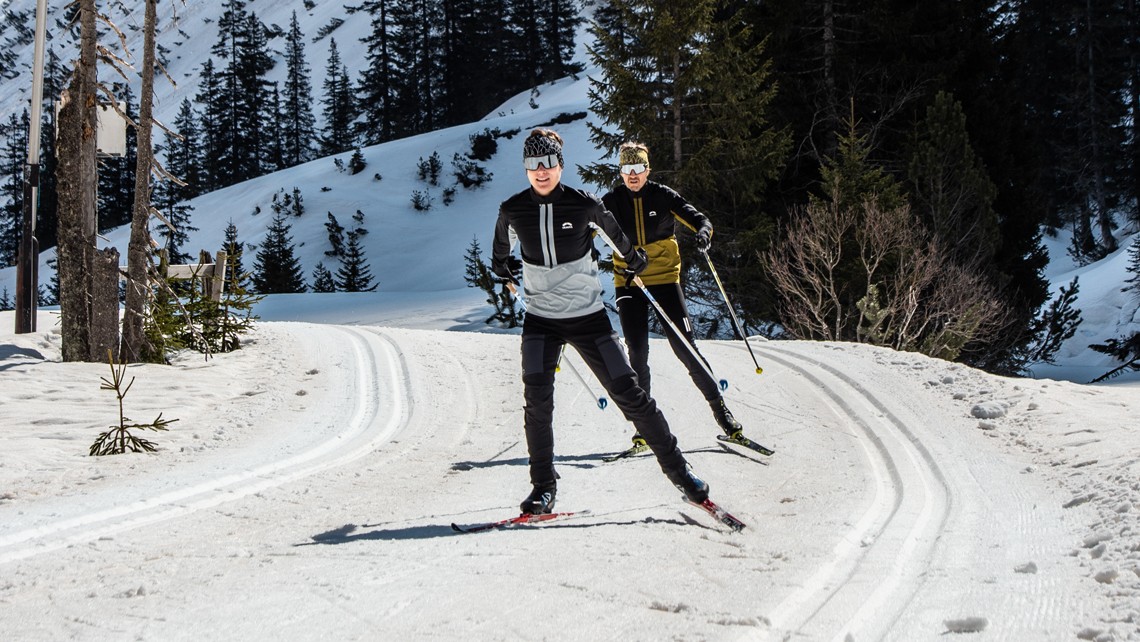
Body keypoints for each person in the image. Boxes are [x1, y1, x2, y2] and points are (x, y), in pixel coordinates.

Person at [491, 128, 709, 515]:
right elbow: (499, 254)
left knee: (631, 394)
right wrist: (505, 269)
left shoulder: (585, 205)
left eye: (548, 163)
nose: (541, 171)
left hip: (588, 319)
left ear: (560, 164)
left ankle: (681, 472)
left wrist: (636, 260)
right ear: (526, 168)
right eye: (533, 164)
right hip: (541, 321)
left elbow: (619, 239)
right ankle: (543, 488)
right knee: (536, 403)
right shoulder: (512, 209)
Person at [602, 141, 747, 452]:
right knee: (637, 353)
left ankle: (723, 416)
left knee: (685, 348)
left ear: (647, 169)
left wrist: (704, 234)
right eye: (626, 170)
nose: (632, 175)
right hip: (629, 283)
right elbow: (588, 229)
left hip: (665, 279)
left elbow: (700, 219)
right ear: (621, 171)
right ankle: (644, 429)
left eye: (638, 168)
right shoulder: (611, 201)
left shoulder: (662, 195)